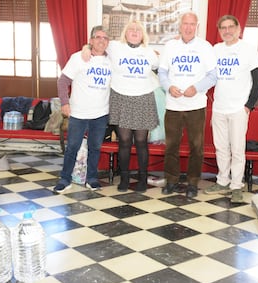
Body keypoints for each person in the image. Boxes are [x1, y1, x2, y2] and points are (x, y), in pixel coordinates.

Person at [83, 20, 159, 193]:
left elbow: (164, 65)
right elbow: (97, 45)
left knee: (141, 142)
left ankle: (142, 179)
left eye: (138, 30)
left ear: (143, 34)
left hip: (143, 99)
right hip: (121, 98)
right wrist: (86, 48)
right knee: (124, 141)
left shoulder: (149, 53)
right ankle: (124, 178)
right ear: (125, 33)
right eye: (131, 29)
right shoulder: (115, 47)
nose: (134, 31)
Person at [204, 15, 258, 203]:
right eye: (223, 28)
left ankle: (236, 185)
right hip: (219, 107)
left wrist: (248, 106)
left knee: (237, 149)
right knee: (221, 148)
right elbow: (206, 73)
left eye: (231, 27)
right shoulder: (216, 49)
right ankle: (222, 181)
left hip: (238, 108)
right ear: (219, 31)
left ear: (238, 29)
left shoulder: (248, 49)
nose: (227, 31)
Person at [158, 11, 217, 198]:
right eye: (185, 23)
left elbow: (213, 76)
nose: (188, 27)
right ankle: (171, 181)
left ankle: (192, 182)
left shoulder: (205, 47)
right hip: (173, 105)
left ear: (197, 26)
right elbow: (162, 74)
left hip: (196, 106)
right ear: (180, 25)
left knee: (196, 147)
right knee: (171, 146)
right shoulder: (170, 46)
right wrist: (169, 87)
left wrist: (197, 88)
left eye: (192, 24)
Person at [53, 25, 112, 193]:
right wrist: (65, 102)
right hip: (78, 113)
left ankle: (91, 178)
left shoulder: (111, 60)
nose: (102, 41)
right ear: (91, 40)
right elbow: (63, 81)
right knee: (72, 146)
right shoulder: (78, 57)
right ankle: (65, 179)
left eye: (105, 38)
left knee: (95, 147)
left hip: (101, 113)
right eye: (98, 37)